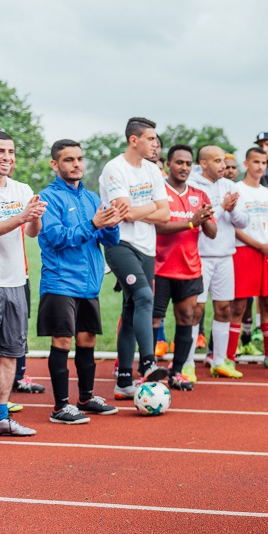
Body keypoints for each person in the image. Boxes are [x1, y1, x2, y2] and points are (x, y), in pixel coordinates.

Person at [39, 139, 124, 423]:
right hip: (60, 281)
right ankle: (60, 407)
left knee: (87, 340)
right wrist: (93, 224)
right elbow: (55, 238)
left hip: (89, 283)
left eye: (79, 159)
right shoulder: (47, 198)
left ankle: (85, 398)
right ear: (55, 164)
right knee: (62, 340)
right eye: (68, 160)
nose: (76, 164)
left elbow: (108, 238)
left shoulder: (90, 199)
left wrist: (112, 224)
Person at [0, 130, 46, 446]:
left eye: (11, 151)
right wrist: (21, 216)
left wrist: (33, 217)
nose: (7, 157)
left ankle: (0, 418)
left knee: (9, 354)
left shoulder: (22, 188)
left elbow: (32, 232)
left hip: (16, 283)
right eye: (0, 151)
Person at [100, 118, 171, 398]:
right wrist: (152, 206)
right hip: (121, 244)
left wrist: (146, 208)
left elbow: (164, 214)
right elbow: (124, 213)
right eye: (151, 138)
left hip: (147, 247)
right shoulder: (114, 169)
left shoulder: (153, 170)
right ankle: (148, 362)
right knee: (144, 298)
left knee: (131, 311)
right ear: (134, 140)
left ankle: (124, 382)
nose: (155, 144)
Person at [153, 145, 216, 389]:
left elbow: (211, 232)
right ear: (169, 164)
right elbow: (159, 226)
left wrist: (206, 218)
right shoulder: (160, 192)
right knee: (154, 320)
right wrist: (191, 222)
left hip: (190, 268)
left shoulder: (199, 195)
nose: (184, 168)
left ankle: (177, 372)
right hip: (160, 267)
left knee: (187, 318)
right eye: (179, 163)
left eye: (189, 164)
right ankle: (147, 368)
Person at [187, 146, 248, 379]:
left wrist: (231, 211)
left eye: (224, 160)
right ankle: (188, 363)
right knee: (196, 310)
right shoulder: (193, 186)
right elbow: (203, 219)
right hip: (200, 256)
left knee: (224, 308)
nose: (224, 165)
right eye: (218, 161)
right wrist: (222, 207)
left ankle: (220, 361)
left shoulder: (230, 186)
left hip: (225, 256)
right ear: (203, 164)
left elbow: (243, 222)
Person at [229, 147, 268, 369]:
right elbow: (234, 228)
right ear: (246, 164)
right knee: (239, 306)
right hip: (245, 251)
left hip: (266, 253)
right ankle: (229, 357)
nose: (260, 166)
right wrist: (262, 246)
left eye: (263, 162)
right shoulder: (236, 190)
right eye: (256, 162)